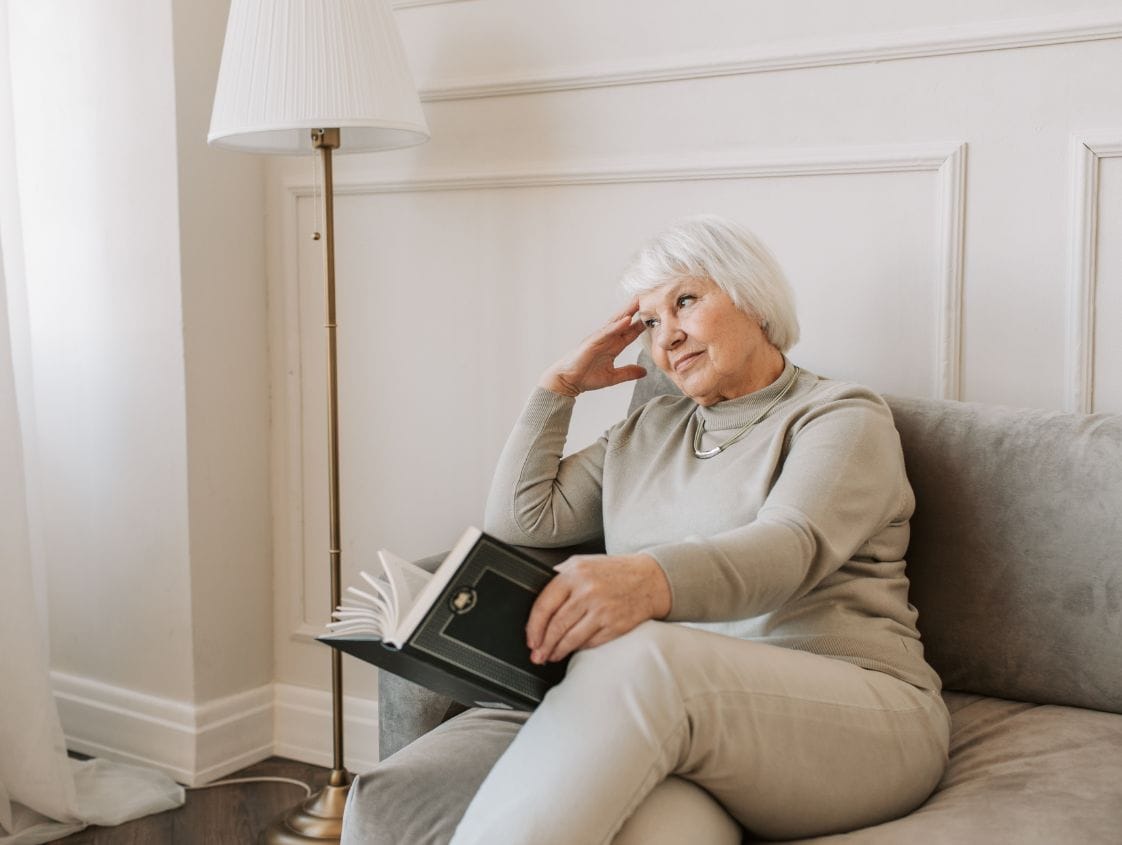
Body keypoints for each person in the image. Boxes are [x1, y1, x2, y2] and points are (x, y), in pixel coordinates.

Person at [341, 215, 950, 845]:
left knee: (640, 655)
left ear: (753, 298)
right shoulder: (648, 429)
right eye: (651, 322)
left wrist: (647, 581)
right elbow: (523, 518)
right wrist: (558, 389)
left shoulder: (841, 417)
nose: (669, 336)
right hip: (695, 732)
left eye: (685, 301)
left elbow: (789, 547)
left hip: (859, 720)